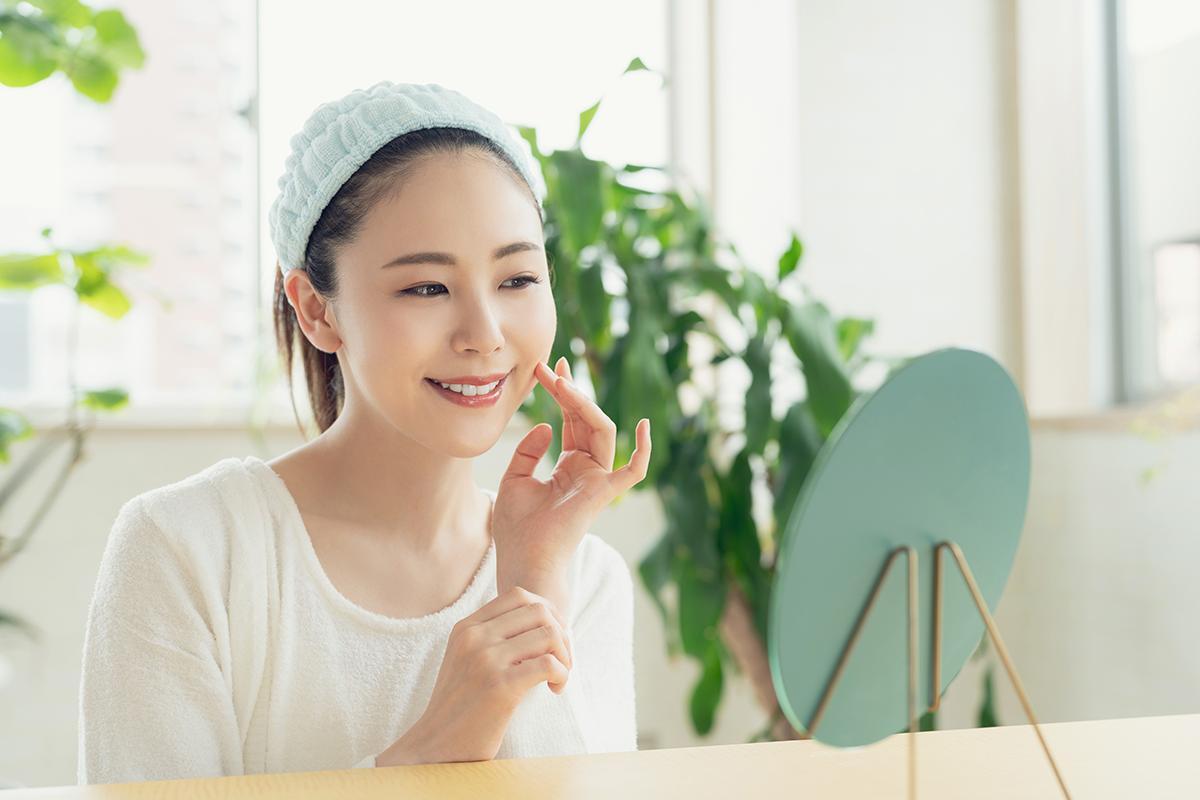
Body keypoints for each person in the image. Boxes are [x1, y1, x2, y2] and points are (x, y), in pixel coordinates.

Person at [76, 81, 652, 783]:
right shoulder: (186, 551)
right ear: (317, 310)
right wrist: (430, 749)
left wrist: (530, 585)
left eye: (518, 279)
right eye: (427, 288)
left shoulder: (581, 576)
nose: (484, 334)